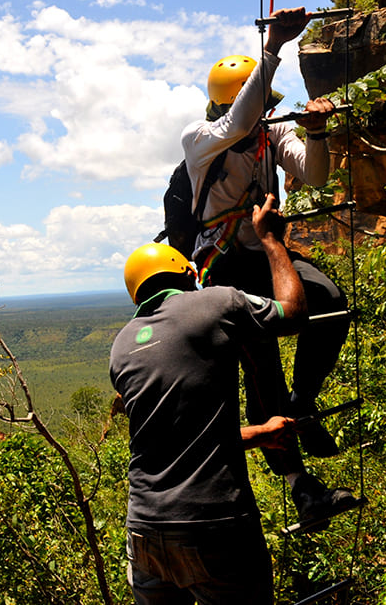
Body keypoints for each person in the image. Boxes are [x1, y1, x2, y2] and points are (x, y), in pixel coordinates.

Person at [110, 196, 351, 605]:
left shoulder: (121, 345)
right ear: (187, 272)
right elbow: (293, 313)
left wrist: (260, 433)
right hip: (213, 524)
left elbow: (182, 440)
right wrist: (272, 240)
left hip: (145, 532)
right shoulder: (215, 302)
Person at [181, 7, 350, 472]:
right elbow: (237, 124)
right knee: (261, 364)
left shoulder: (268, 132)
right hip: (224, 263)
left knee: (331, 303)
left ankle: (301, 404)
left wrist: (317, 135)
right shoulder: (201, 137)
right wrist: (273, 46)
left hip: (266, 253)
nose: (268, 113)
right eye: (260, 105)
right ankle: (297, 481)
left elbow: (314, 174)